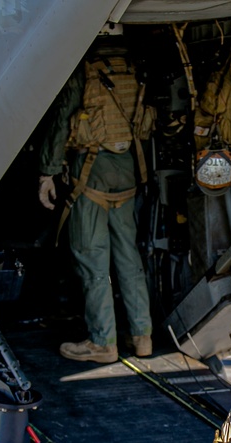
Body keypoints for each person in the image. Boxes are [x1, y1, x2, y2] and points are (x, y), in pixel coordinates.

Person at [38, 43, 153, 364]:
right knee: (129, 259)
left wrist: (47, 171)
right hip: (127, 172)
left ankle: (103, 342)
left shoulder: (84, 71)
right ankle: (142, 336)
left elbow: (63, 119)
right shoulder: (130, 66)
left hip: (91, 176)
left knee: (93, 261)